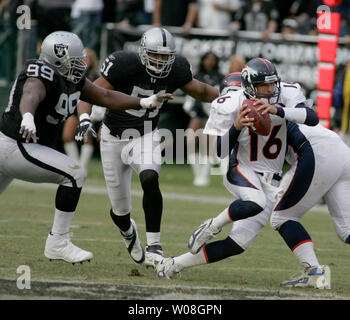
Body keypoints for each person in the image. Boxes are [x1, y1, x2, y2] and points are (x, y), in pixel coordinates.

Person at [0, 31, 171, 265]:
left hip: (15, 147)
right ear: (57, 59)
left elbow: (107, 96)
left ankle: (58, 241)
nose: (81, 65)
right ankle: (58, 241)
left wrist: (142, 102)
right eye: (75, 61)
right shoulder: (42, 72)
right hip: (15, 144)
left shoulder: (73, 79)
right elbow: (31, 92)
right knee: (74, 173)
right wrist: (27, 115)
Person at [155, 57, 319, 281]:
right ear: (250, 86)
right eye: (264, 85)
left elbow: (312, 118)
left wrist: (278, 111)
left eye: (273, 83)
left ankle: (174, 264)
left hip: (270, 179)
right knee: (255, 202)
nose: (270, 89)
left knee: (237, 244)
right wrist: (236, 126)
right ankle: (212, 225)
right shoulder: (231, 102)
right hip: (242, 169)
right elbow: (219, 152)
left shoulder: (287, 93)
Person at [77, 27, 219, 268]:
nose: (161, 61)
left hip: (145, 134)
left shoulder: (177, 69)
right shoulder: (123, 63)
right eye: (156, 55)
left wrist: (230, 95)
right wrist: (84, 119)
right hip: (113, 136)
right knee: (120, 212)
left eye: (166, 56)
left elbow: (202, 91)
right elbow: (89, 92)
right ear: (143, 52)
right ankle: (128, 232)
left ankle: (155, 246)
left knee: (150, 177)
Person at [269, 122, 350, 288]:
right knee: (347, 230)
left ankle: (315, 273)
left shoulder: (265, 120)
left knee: (282, 218)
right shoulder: (288, 107)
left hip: (319, 155)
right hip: (341, 150)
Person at [183, 52, 223, 186]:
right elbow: (189, 97)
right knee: (190, 138)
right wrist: (191, 110)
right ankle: (197, 173)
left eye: (213, 59)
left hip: (212, 115)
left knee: (209, 143)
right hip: (197, 114)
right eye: (207, 59)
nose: (210, 62)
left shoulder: (220, 78)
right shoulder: (196, 76)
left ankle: (204, 175)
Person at [62, 48, 101, 172]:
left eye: (87, 58)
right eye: (82, 58)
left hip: (90, 110)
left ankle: (82, 167)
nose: (85, 61)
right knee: (67, 136)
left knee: (86, 138)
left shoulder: (96, 76)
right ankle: (75, 165)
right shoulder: (72, 73)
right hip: (74, 109)